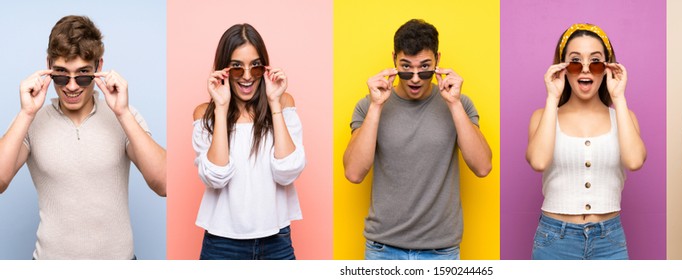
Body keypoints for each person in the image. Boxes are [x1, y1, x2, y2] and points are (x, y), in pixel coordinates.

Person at [0, 15, 166, 259]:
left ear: (99, 67)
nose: (72, 86)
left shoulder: (124, 116)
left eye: (83, 74)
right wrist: (26, 113)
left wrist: (122, 112)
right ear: (48, 65)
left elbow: (164, 184)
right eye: (61, 74)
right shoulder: (31, 120)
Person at [342, 19, 492, 260]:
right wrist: (376, 106)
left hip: (440, 250)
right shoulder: (368, 106)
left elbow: (483, 166)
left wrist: (453, 104)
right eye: (405, 68)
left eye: (424, 68)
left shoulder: (460, 104)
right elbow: (354, 173)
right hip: (383, 249)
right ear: (393, 60)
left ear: (437, 60)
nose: (414, 78)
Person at [525, 23, 646, 260]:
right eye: (575, 61)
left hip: (609, 240)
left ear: (608, 67)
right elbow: (539, 161)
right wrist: (553, 96)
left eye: (596, 61)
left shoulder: (625, 117)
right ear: (562, 67)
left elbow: (634, 161)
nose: (586, 70)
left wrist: (619, 97)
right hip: (554, 240)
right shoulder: (543, 117)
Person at [192, 23, 305, 260]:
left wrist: (274, 103)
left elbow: (287, 171)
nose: (246, 76)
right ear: (224, 69)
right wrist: (221, 109)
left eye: (255, 67)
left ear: (264, 68)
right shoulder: (206, 114)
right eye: (236, 68)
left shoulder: (283, 103)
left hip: (276, 240)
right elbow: (216, 176)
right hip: (221, 244)